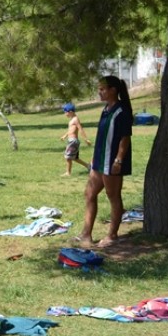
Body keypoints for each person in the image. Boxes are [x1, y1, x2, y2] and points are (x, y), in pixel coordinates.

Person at [79, 76, 133, 248]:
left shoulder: (122, 111)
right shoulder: (106, 109)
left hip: (112, 161)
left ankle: (112, 236)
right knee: (89, 194)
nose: (99, 92)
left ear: (113, 90)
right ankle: (85, 235)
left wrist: (119, 159)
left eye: (102, 89)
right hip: (100, 161)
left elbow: (125, 139)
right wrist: (94, 158)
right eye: (99, 88)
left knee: (113, 197)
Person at [60, 103, 92, 176]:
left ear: (70, 112)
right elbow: (71, 130)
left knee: (68, 157)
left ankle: (68, 173)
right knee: (75, 158)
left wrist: (86, 139)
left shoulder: (75, 119)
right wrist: (65, 136)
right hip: (71, 140)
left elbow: (80, 129)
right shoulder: (72, 120)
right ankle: (88, 166)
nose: (65, 114)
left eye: (65, 112)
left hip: (73, 141)